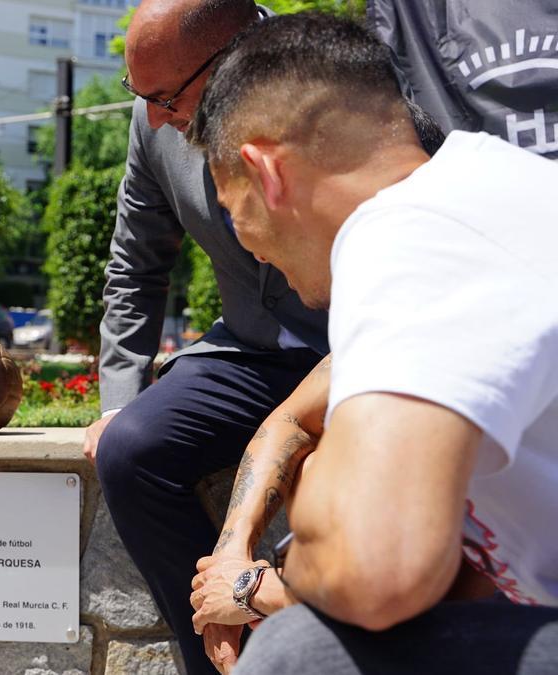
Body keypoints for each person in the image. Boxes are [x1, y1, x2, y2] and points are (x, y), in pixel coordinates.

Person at [187, 13, 558, 673]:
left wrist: (273, 578)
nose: (263, 261)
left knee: (298, 654)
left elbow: (377, 566)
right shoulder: (478, 193)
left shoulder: (405, 234)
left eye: (238, 218)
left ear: (266, 172)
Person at [87, 1, 330, 672]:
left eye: (167, 96)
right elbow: (135, 263)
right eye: (141, 97)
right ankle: (217, 656)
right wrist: (118, 400)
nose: (155, 115)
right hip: (246, 352)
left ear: (233, 50)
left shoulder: (337, 87)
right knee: (130, 449)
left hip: (350, 349)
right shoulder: (152, 118)